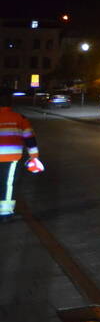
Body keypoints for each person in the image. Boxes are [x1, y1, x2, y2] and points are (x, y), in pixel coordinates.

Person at [0, 88, 45, 222]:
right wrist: (34, 156)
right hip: (12, 157)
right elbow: (29, 138)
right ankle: (5, 213)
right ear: (10, 104)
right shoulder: (19, 118)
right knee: (7, 184)